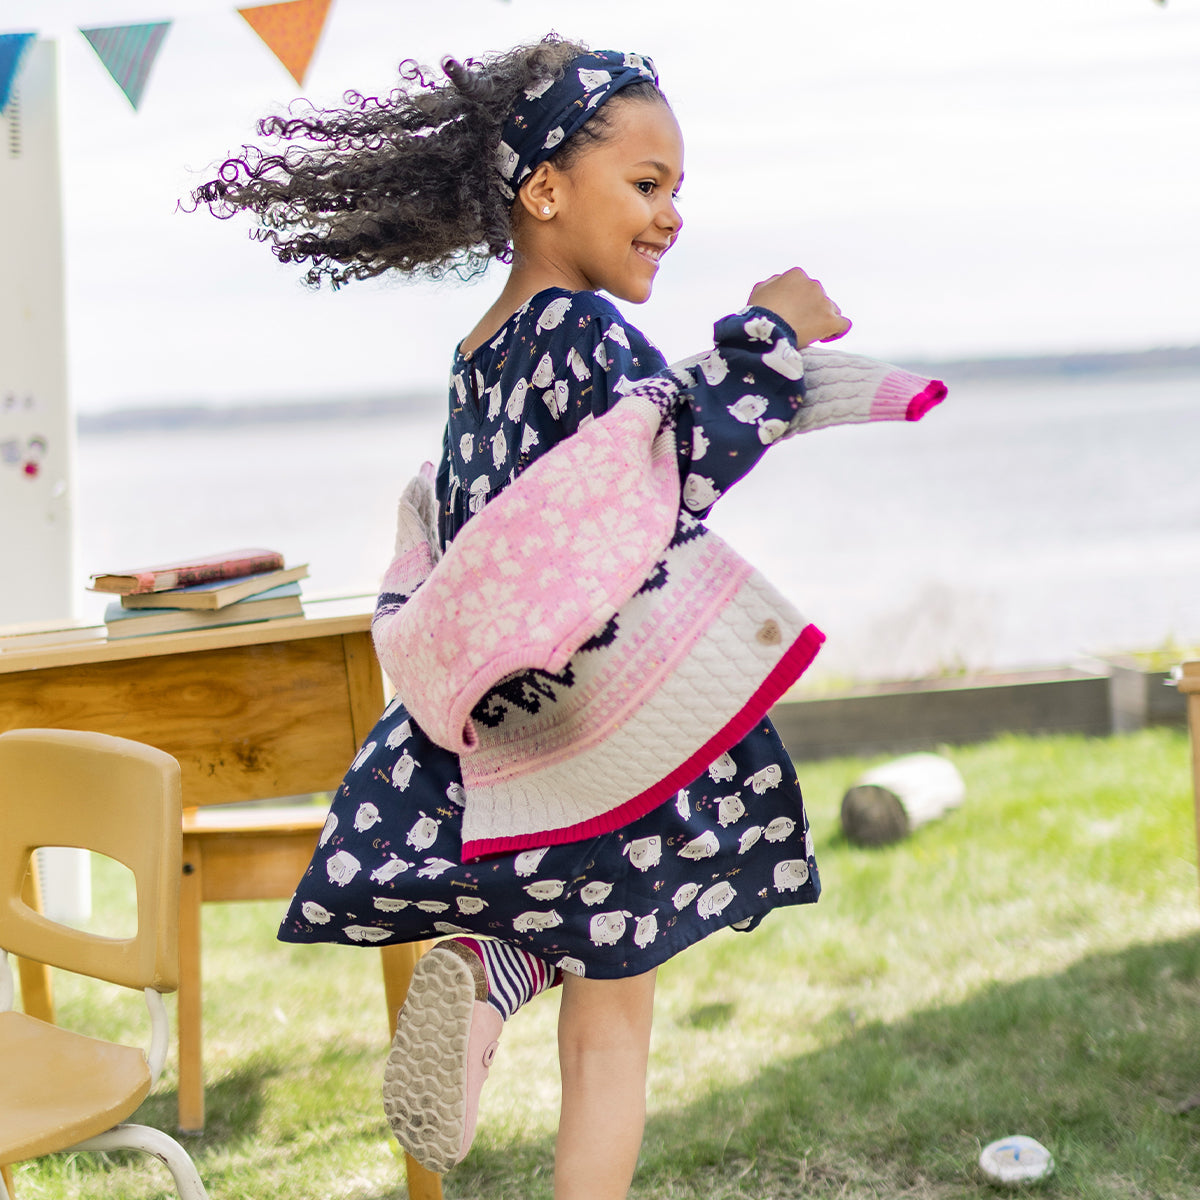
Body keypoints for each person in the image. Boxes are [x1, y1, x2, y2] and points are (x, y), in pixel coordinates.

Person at [196, 35, 897, 1200]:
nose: (672, 214)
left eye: (678, 188)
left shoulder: (478, 356)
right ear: (545, 189)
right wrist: (770, 331)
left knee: (561, 925)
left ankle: (483, 978)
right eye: (647, 182)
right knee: (612, 1028)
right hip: (607, 710)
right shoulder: (585, 334)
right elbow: (675, 461)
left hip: (518, 723)